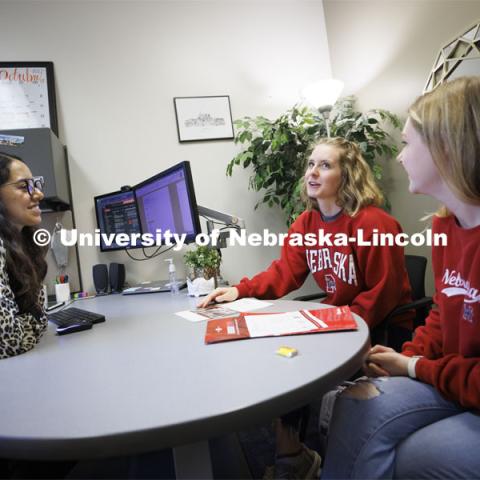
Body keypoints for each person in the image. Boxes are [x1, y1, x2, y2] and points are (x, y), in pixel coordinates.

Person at [199, 137, 414, 479]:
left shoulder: (374, 224)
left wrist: (335, 319)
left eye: (325, 165)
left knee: (298, 354)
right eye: (311, 164)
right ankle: (293, 455)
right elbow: (285, 273)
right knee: (284, 356)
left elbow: (383, 293)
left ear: (348, 175)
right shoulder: (306, 224)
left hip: (383, 326)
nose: (313, 172)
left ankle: (294, 458)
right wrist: (240, 289)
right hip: (342, 319)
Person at [321, 76, 480, 479]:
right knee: (354, 402)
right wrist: (408, 356)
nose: (400, 157)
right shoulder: (445, 227)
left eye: (409, 144)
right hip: (455, 378)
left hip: (465, 383)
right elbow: (444, 314)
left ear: (447, 148)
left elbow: (383, 291)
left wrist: (413, 368)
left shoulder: (375, 222)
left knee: (415, 455)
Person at [0, 152, 48, 359]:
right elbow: (9, 341)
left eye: (36, 184)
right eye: (23, 186)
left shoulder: (25, 244)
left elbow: (39, 318)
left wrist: (30, 322)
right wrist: (33, 322)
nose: (38, 194)